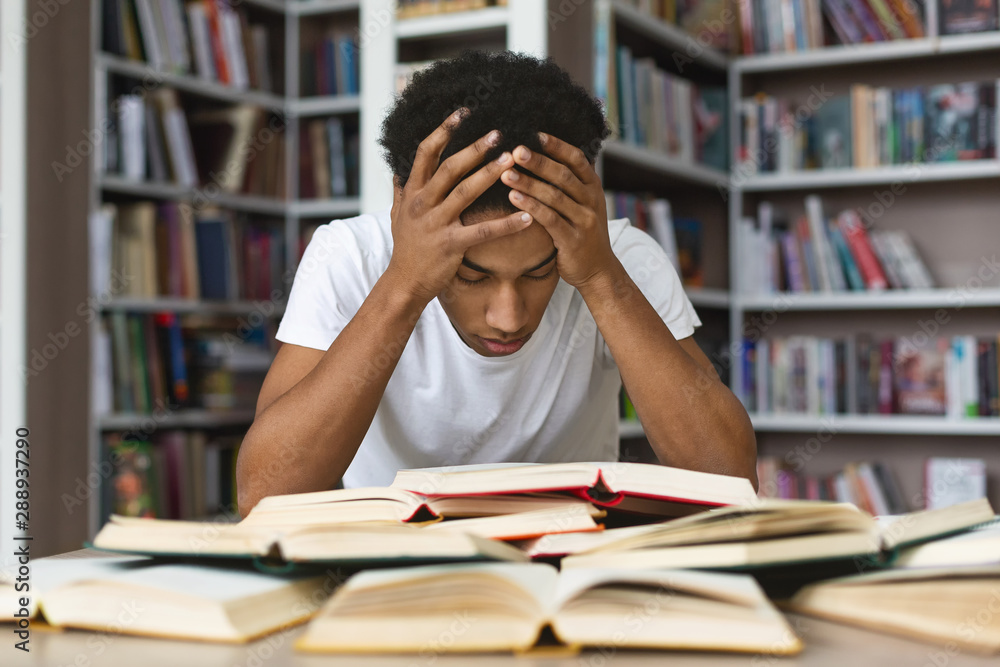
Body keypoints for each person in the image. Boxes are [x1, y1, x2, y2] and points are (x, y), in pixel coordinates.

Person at [236, 50, 756, 517]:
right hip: (387, 575)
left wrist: (599, 277)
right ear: (402, 215)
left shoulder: (619, 259)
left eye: (540, 271)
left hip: (567, 568)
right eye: (470, 274)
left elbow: (730, 482)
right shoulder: (351, 256)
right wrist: (406, 283)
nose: (508, 318)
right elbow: (263, 495)